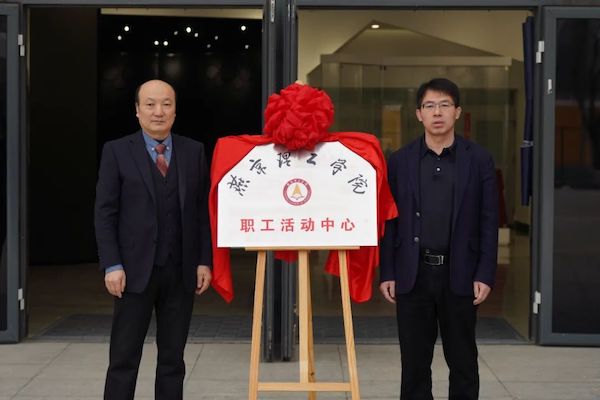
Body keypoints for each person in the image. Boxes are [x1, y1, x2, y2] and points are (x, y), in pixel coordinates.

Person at [379, 78, 498, 400]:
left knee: (463, 361)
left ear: (457, 112)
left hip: (459, 273)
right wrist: (388, 271)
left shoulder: (479, 160)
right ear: (418, 114)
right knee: (414, 364)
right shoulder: (400, 161)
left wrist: (485, 273)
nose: (437, 113)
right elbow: (389, 220)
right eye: (429, 106)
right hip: (413, 273)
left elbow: (489, 220)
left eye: (445, 105)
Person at [95, 79, 212, 400]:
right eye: (150, 104)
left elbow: (202, 212)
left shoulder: (193, 151)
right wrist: (112, 265)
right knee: (123, 358)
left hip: (180, 270)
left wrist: (204, 260)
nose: (158, 111)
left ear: (175, 110)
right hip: (132, 272)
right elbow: (105, 213)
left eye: (166, 104)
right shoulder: (117, 151)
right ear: (137, 110)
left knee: (173, 359)